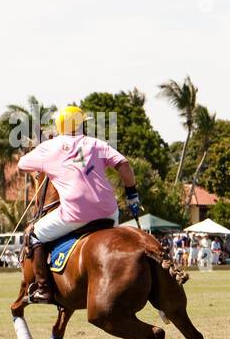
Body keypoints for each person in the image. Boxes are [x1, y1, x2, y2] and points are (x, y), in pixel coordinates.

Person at [18, 105, 140, 304]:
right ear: (81, 124)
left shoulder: (51, 147)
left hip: (75, 214)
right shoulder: (96, 143)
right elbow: (124, 165)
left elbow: (22, 164)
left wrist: (45, 160)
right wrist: (132, 195)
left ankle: (43, 289)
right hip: (109, 213)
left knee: (34, 235)